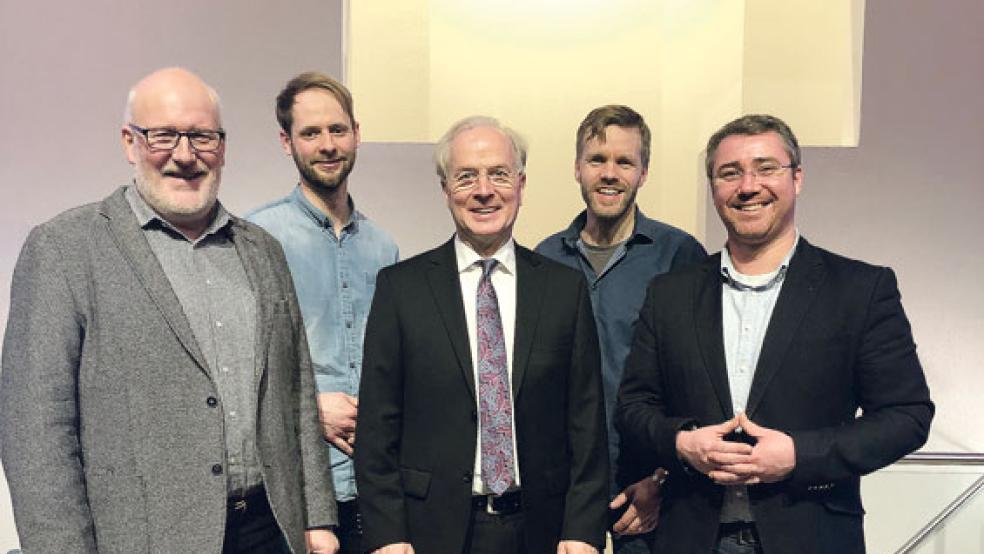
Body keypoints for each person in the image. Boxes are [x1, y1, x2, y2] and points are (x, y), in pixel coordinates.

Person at [0, 67, 338, 554]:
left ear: (222, 147)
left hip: (270, 530)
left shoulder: (261, 250)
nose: (185, 155)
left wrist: (318, 518)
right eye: (163, 136)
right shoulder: (64, 250)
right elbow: (37, 432)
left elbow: (297, 393)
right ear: (129, 142)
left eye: (202, 136)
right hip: (139, 539)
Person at [617, 114, 934, 554]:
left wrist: (798, 456)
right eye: (730, 173)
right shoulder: (670, 294)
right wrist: (683, 442)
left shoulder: (860, 290)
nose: (748, 186)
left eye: (766, 168)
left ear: (797, 178)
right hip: (689, 537)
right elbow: (634, 406)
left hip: (812, 536)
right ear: (714, 187)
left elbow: (907, 416)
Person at [355, 116, 609, 554]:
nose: (484, 190)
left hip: (541, 530)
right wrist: (387, 535)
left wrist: (583, 529)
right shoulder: (401, 288)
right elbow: (378, 425)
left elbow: (586, 422)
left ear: (521, 185)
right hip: (429, 532)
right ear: (445, 189)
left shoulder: (564, 289)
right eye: (466, 176)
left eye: (499, 174)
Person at [536, 104, 706, 552]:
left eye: (624, 161)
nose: (609, 173)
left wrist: (661, 480)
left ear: (643, 172)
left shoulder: (679, 256)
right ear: (577, 168)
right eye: (597, 160)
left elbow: (701, 383)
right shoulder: (544, 259)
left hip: (648, 488)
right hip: (563, 490)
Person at [247, 71, 398, 554]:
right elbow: (236, 374)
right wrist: (308, 410)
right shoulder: (256, 239)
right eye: (311, 133)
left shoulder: (384, 247)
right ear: (286, 142)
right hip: (295, 492)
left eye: (337, 130)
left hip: (372, 491)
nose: (327, 145)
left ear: (357, 133)